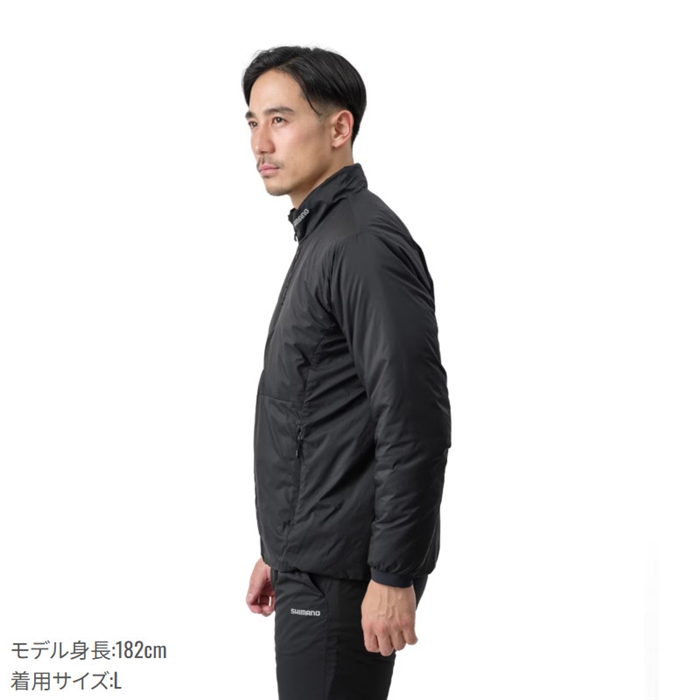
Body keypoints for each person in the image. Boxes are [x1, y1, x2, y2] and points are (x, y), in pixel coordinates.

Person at [242, 46, 451, 700]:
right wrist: (280, 548)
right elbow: (319, 412)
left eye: (280, 119)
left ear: (340, 128)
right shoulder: (326, 235)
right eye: (252, 122)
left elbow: (413, 420)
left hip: (347, 577)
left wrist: (392, 574)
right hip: (313, 566)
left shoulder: (362, 243)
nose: (260, 142)